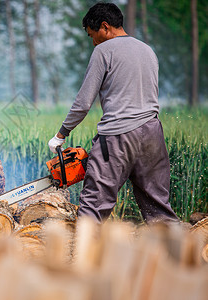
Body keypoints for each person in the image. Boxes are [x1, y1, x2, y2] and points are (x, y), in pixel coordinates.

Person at [48, 2, 179, 224]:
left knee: (93, 206)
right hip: (152, 134)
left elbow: (83, 102)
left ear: (105, 27)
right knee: (158, 208)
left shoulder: (103, 51)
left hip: (117, 137)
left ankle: (84, 258)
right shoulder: (147, 50)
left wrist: (61, 133)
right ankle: (181, 257)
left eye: (93, 35)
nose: (93, 42)